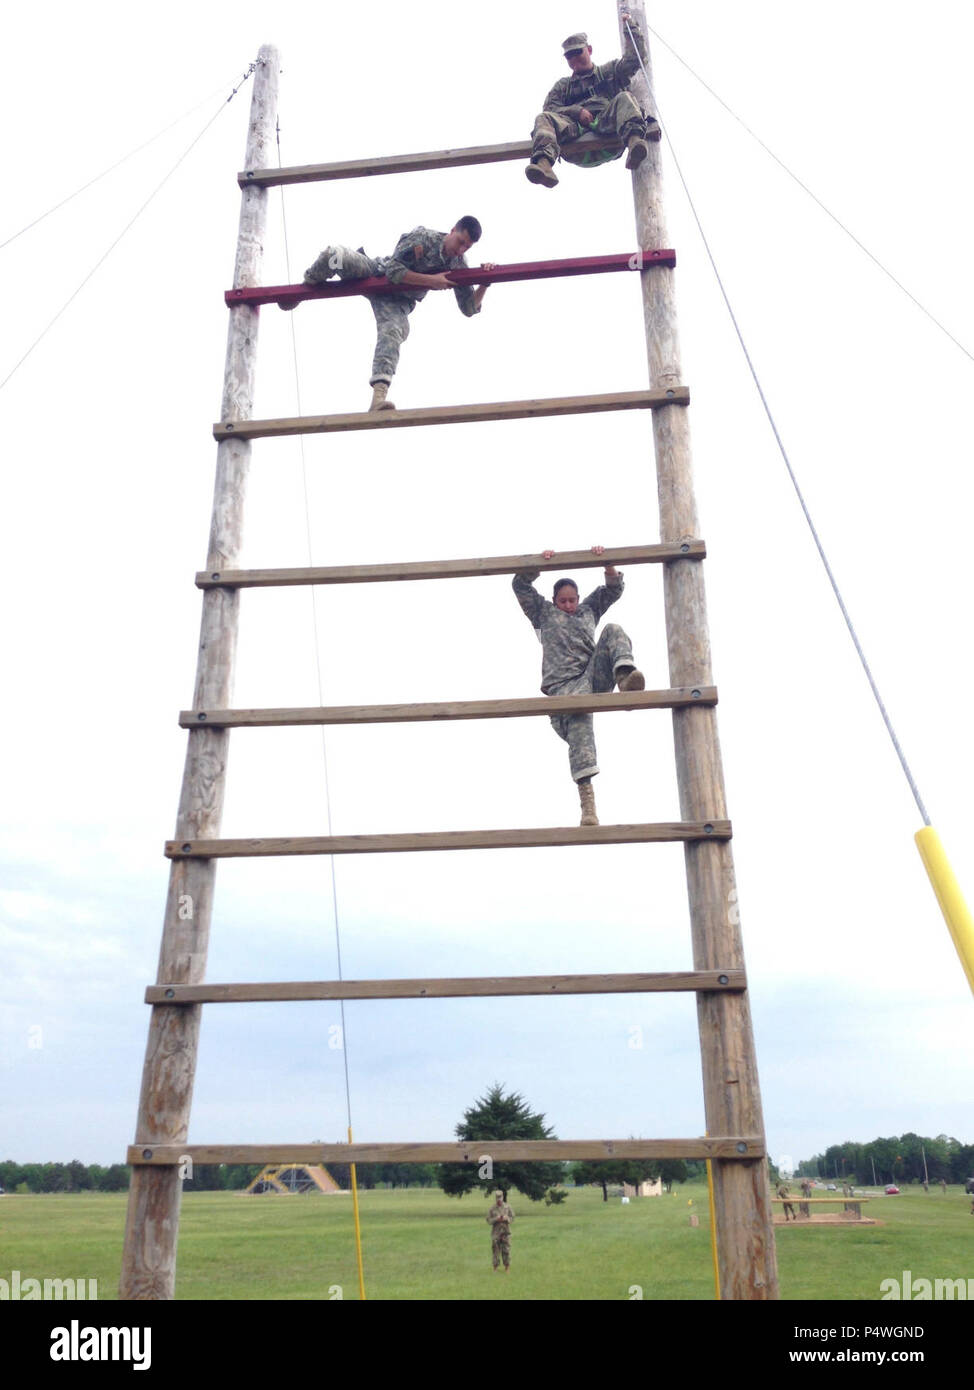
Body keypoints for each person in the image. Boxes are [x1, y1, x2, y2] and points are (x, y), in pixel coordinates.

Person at [296, 218, 495, 412]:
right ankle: (307, 283)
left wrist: (485, 283)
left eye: (467, 247)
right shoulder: (423, 238)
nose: (460, 250)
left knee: (393, 332)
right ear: (452, 231)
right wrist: (431, 281)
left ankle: (378, 399)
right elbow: (393, 270)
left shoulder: (458, 263)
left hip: (398, 302)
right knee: (335, 255)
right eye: (460, 242)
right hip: (376, 275)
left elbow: (469, 308)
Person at [513, 546, 644, 827]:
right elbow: (519, 584)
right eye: (564, 601)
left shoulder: (587, 611)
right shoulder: (543, 614)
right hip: (562, 692)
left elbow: (612, 591)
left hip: (591, 679)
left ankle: (625, 677)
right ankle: (588, 804)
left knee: (613, 629)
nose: (570, 605)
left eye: (573, 600)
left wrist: (608, 565)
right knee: (580, 716)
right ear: (554, 601)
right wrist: (539, 564)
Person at [526, 14, 659, 189]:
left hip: (609, 130)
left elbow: (636, 59)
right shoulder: (563, 86)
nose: (574, 59)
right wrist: (576, 112)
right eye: (569, 56)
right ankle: (544, 164)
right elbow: (550, 109)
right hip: (576, 141)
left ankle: (635, 142)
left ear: (589, 50)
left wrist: (630, 28)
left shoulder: (609, 72)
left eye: (577, 52)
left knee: (624, 98)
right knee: (543, 118)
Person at [486, 1191, 515, 1271]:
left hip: (506, 1232)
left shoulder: (508, 1207)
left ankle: (507, 1268)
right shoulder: (492, 1208)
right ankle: (495, 1268)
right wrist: (496, 1219)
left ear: (502, 1197)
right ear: (495, 1198)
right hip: (496, 1233)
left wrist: (507, 1218)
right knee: (495, 1250)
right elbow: (488, 1220)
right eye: (497, 1198)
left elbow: (512, 1217)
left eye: (500, 1197)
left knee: (506, 1250)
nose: (499, 1199)